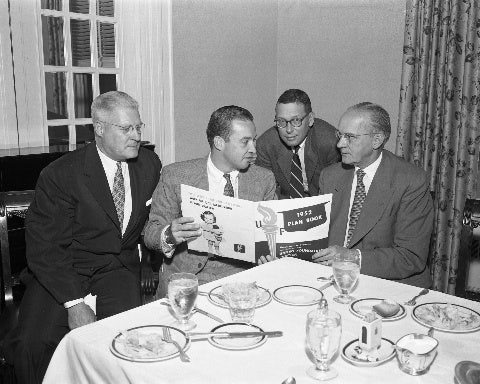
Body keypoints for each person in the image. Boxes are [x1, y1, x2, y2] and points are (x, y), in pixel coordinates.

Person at [3, 91, 161, 384]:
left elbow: (156, 217)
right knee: (31, 345)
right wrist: (74, 304)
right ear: (99, 129)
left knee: (124, 345)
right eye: (126, 128)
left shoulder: (149, 165)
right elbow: (45, 247)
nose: (136, 135)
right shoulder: (61, 174)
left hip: (118, 268)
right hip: (64, 269)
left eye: (139, 127)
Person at [143, 105, 277, 297]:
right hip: (188, 281)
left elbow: (271, 237)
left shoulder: (264, 179)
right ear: (219, 143)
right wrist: (169, 234)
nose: (253, 149)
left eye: (253, 141)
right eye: (245, 142)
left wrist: (271, 251)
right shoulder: (176, 176)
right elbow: (151, 232)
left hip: (243, 280)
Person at [312, 102, 433, 288]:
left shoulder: (410, 180)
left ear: (377, 140)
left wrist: (351, 257)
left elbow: (410, 256)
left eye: (350, 137)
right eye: (340, 135)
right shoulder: (330, 176)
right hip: (334, 279)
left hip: (391, 285)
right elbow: (319, 236)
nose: (339, 144)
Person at [256, 89, 340, 199]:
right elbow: (267, 192)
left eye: (296, 120)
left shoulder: (331, 142)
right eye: (281, 121)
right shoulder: (265, 145)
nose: (289, 130)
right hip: (284, 204)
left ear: (310, 119)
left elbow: (335, 190)